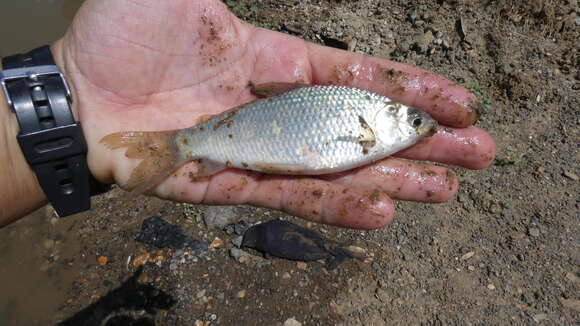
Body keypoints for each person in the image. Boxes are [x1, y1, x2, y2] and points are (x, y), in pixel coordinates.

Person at [0, 0, 495, 228]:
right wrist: (78, 83)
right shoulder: (366, 114)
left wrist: (69, 92)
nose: (418, 128)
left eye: (415, 125)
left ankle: (177, 145)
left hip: (246, 135)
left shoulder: (367, 116)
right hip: (233, 136)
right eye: (412, 122)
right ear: (381, 122)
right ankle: (176, 145)